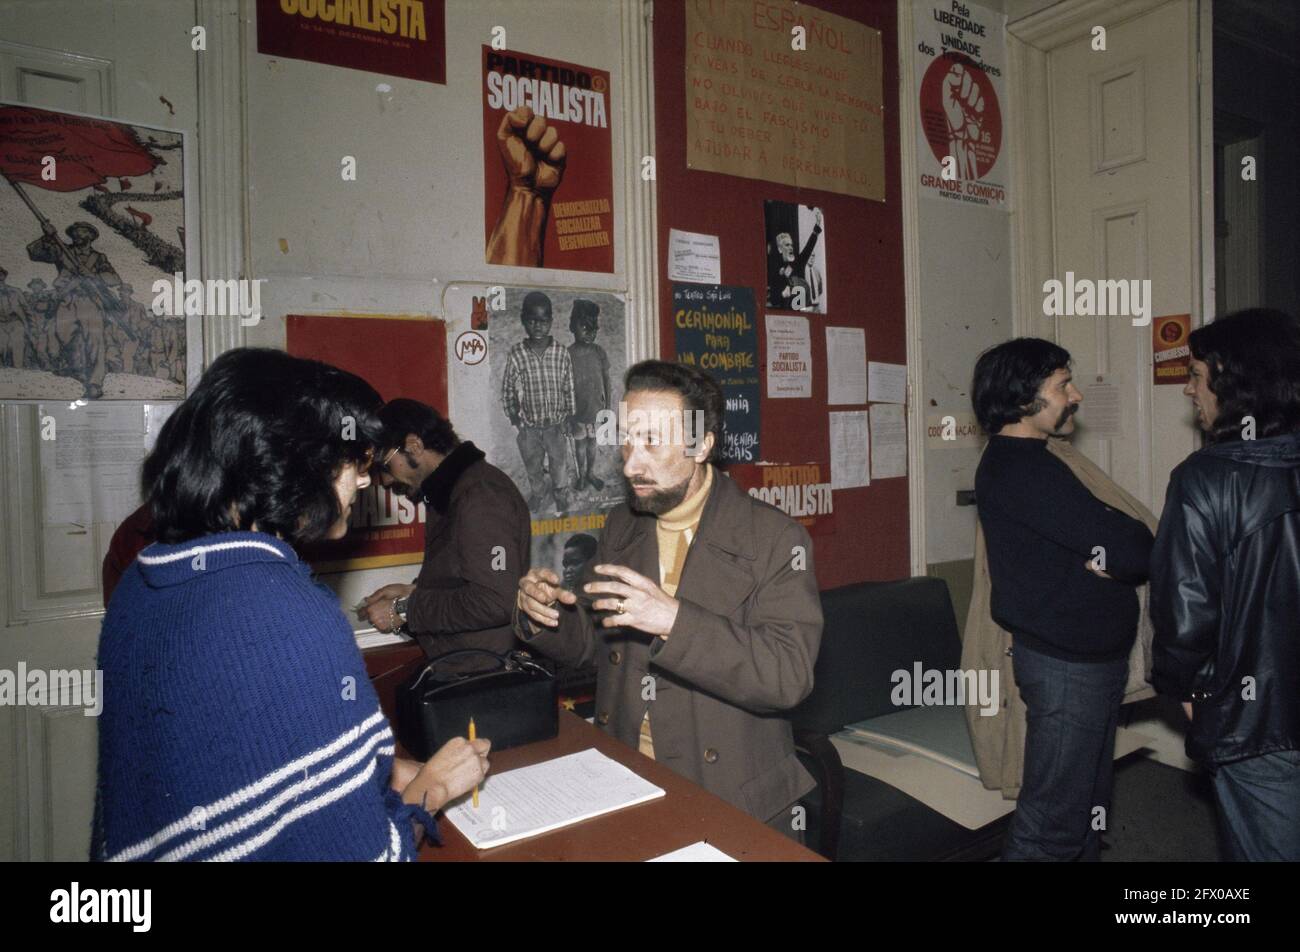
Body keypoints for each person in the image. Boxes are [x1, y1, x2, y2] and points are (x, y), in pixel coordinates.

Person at [93, 349, 490, 861]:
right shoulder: (291, 614)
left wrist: (372, 771)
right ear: (295, 463)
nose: (366, 481)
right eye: (354, 463)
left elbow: (224, 763)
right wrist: (434, 785)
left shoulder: (141, 583)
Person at [514, 360, 823, 836]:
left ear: (701, 445)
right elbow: (594, 643)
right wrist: (545, 613)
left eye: (652, 442)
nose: (631, 463)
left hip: (731, 797)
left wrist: (674, 620)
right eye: (626, 440)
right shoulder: (624, 524)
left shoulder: (776, 540)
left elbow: (788, 676)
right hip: (629, 779)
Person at [969, 337, 1155, 861]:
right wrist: (1114, 552)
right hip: (1067, 669)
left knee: (1083, 813)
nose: (1075, 396)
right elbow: (1134, 547)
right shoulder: (1021, 468)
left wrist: (1113, 551)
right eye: (1062, 385)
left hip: (1083, 664)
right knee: (1053, 823)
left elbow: (1125, 541)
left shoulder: (1042, 460)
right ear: (1025, 396)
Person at [1150, 309, 1300, 861]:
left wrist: (1186, 691)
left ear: (1232, 380)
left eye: (1195, 374)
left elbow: (1184, 615)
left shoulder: (1205, 479)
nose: (1188, 390)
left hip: (1257, 725)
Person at [360, 398, 530, 671]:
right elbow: (470, 579)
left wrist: (405, 609)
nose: (386, 481)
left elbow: (496, 601)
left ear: (414, 445)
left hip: (483, 678)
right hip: (468, 670)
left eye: (385, 466)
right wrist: (414, 591)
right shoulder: (455, 490)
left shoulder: (480, 496)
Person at [500, 291, 575, 513]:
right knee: (532, 465)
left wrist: (569, 416)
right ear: (524, 321)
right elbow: (508, 388)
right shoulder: (517, 354)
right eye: (532, 321)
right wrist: (515, 417)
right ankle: (539, 493)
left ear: (550, 321)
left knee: (559, 464)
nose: (538, 326)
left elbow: (568, 386)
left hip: (556, 425)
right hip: (529, 427)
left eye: (543, 321)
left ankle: (560, 493)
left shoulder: (561, 353)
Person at [27, 221, 120, 397]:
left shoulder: (98, 258)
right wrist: (47, 236)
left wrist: (93, 275)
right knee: (64, 337)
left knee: (95, 342)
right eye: (75, 232)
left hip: (90, 302)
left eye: (83, 232)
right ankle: (77, 369)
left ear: (91, 237)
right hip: (67, 301)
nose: (78, 235)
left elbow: (115, 279)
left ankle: (95, 383)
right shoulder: (62, 252)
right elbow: (34, 253)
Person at [567, 299, 610, 494]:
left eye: (593, 328)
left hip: (596, 412)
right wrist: (568, 417)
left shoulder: (599, 352)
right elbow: (563, 388)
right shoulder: (567, 355)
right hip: (577, 414)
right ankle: (581, 475)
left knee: (592, 444)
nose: (589, 332)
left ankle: (591, 473)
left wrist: (607, 408)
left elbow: (606, 381)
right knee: (580, 447)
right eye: (584, 326)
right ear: (572, 326)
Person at [766, 207, 822, 311]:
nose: (791, 247)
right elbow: (772, 300)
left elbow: (808, 248)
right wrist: (782, 294)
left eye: (791, 245)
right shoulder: (774, 269)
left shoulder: (797, 263)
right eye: (787, 245)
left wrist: (817, 227)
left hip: (800, 314)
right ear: (780, 249)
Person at [0, 266, 30, 368]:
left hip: (16, 321)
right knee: (2, 347)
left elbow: (27, 309)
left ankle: (18, 370)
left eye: (1, 274)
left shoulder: (15, 291)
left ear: (4, 276)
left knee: (18, 345)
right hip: (1, 323)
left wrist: (31, 326)